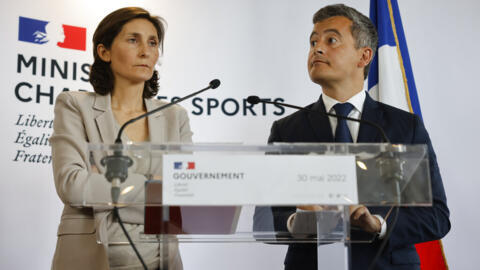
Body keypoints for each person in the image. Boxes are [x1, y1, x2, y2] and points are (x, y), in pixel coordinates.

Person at [254, 4, 450, 270]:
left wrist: (378, 225)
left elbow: (436, 216)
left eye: (331, 40)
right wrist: (301, 222)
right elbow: (264, 220)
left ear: (364, 56)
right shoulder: (287, 130)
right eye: (313, 41)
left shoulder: (404, 127)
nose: (317, 48)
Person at [50, 7, 192, 270]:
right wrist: (154, 189)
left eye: (152, 42)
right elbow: (72, 185)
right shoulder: (74, 105)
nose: (146, 51)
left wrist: (105, 194)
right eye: (132, 40)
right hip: (90, 259)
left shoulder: (175, 116)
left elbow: (183, 198)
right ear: (104, 52)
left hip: (161, 262)